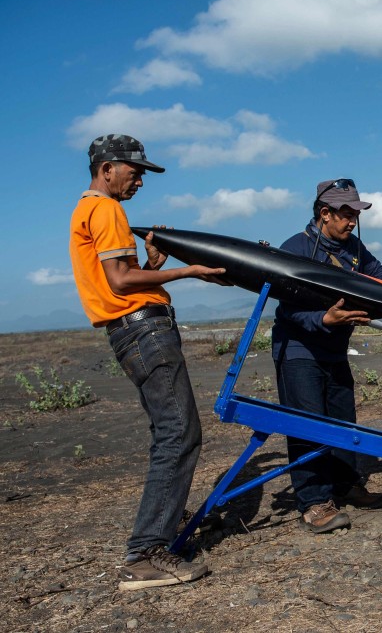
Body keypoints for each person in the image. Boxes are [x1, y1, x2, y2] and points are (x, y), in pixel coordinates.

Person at [69, 134, 226, 590]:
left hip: (133, 331)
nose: (139, 180)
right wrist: (187, 270)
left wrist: (153, 262)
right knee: (179, 432)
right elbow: (120, 282)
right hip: (143, 329)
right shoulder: (106, 209)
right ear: (106, 168)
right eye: (134, 171)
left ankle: (158, 535)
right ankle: (146, 554)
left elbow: (123, 275)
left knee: (171, 430)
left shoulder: (88, 209)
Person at [272, 178, 382, 533]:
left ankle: (346, 486)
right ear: (324, 213)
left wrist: (373, 302)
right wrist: (324, 318)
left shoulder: (354, 248)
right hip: (298, 351)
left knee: (343, 421)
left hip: (335, 350)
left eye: (355, 213)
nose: (352, 220)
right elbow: (287, 308)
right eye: (346, 213)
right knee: (308, 426)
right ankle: (314, 503)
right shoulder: (294, 248)